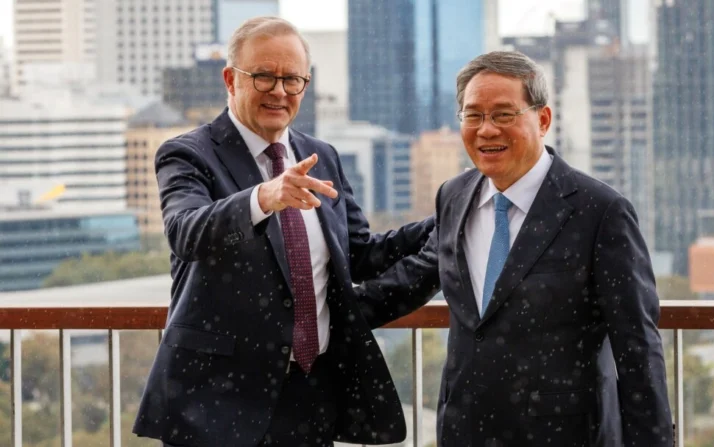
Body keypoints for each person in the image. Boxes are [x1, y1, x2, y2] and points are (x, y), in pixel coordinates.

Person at [132, 16, 434, 447]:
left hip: (310, 396)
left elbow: (361, 254)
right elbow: (186, 232)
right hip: (215, 405)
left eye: (292, 79)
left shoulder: (320, 155)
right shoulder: (188, 153)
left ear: (305, 86)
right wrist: (264, 197)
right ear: (230, 80)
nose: (279, 90)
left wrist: (446, 219)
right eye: (264, 76)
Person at [356, 51, 673, 447]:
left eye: (503, 115)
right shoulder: (454, 196)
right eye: (473, 115)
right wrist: (307, 320)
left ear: (543, 120)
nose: (486, 130)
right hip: (465, 429)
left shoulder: (599, 211)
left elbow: (638, 347)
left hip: (564, 435)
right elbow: (410, 278)